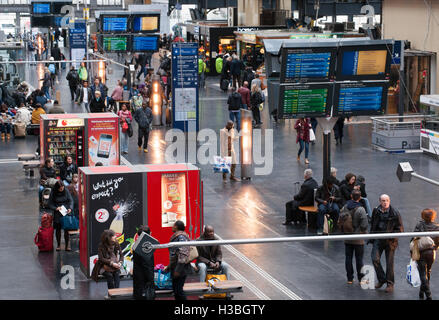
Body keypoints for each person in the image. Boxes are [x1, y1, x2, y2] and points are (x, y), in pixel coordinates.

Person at [368, 194, 404, 293]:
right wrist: (372, 236)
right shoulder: (376, 211)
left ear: (389, 201)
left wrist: (391, 236)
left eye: (387, 200)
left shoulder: (395, 213)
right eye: (383, 200)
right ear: (380, 201)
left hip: (390, 241)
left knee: (389, 263)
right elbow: (373, 224)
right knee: (374, 258)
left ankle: (390, 283)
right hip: (378, 239)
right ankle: (382, 279)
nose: (385, 202)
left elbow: (400, 229)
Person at [338, 190, 369, 285]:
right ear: (359, 197)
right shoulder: (361, 209)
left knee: (348, 258)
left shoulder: (345, 207)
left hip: (347, 237)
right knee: (359, 259)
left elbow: (340, 220)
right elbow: (364, 225)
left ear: (351, 196)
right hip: (358, 238)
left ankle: (350, 279)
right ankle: (361, 279)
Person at [413, 209, 439, 300]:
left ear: (423, 216)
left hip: (421, 252)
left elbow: (414, 238)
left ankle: (428, 295)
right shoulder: (437, 226)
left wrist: (412, 251)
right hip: (431, 253)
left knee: (423, 273)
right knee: (428, 272)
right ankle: (421, 292)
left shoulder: (419, 225)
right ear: (433, 216)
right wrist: (435, 247)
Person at [164, 221, 191, 300]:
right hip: (176, 267)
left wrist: (178, 270)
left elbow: (182, 254)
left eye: (173, 225)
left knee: (179, 291)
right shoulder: (178, 236)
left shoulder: (181, 237)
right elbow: (174, 254)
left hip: (180, 269)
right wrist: (169, 267)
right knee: (176, 291)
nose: (172, 227)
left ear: (176, 227)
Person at [47, 181, 73, 251]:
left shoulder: (66, 191)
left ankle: (67, 245)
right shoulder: (53, 192)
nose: (62, 189)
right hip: (57, 212)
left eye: (62, 188)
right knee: (58, 229)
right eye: (60, 189)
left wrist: (70, 208)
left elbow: (70, 200)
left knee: (66, 230)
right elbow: (49, 204)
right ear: (57, 188)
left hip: (65, 211)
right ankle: (58, 244)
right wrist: (56, 208)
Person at [133, 225, 155, 300]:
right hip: (144, 281)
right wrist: (151, 280)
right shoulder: (145, 247)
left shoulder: (136, 244)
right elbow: (147, 266)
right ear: (149, 234)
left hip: (138, 279)